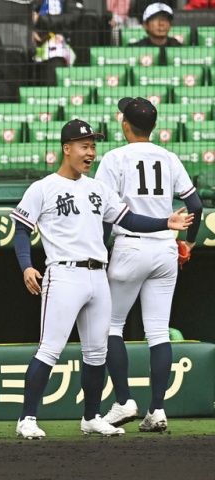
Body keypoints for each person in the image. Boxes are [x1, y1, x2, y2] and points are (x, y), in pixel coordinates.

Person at [9, 119, 193, 440]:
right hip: (63, 273)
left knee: (97, 353)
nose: (91, 152)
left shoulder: (98, 188)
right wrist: (26, 265)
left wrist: (166, 221)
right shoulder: (43, 187)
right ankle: (27, 418)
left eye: (93, 146)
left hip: (98, 275)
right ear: (66, 149)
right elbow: (22, 228)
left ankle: (91, 416)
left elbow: (129, 219)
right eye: (84, 145)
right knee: (50, 349)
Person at [96, 98, 203, 433]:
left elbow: (101, 211)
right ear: (153, 126)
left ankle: (124, 400)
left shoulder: (114, 158)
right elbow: (195, 204)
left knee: (109, 327)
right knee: (157, 330)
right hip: (165, 249)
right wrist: (188, 241)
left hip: (130, 246)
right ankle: (157, 409)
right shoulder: (169, 157)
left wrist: (100, 249)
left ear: (125, 124)